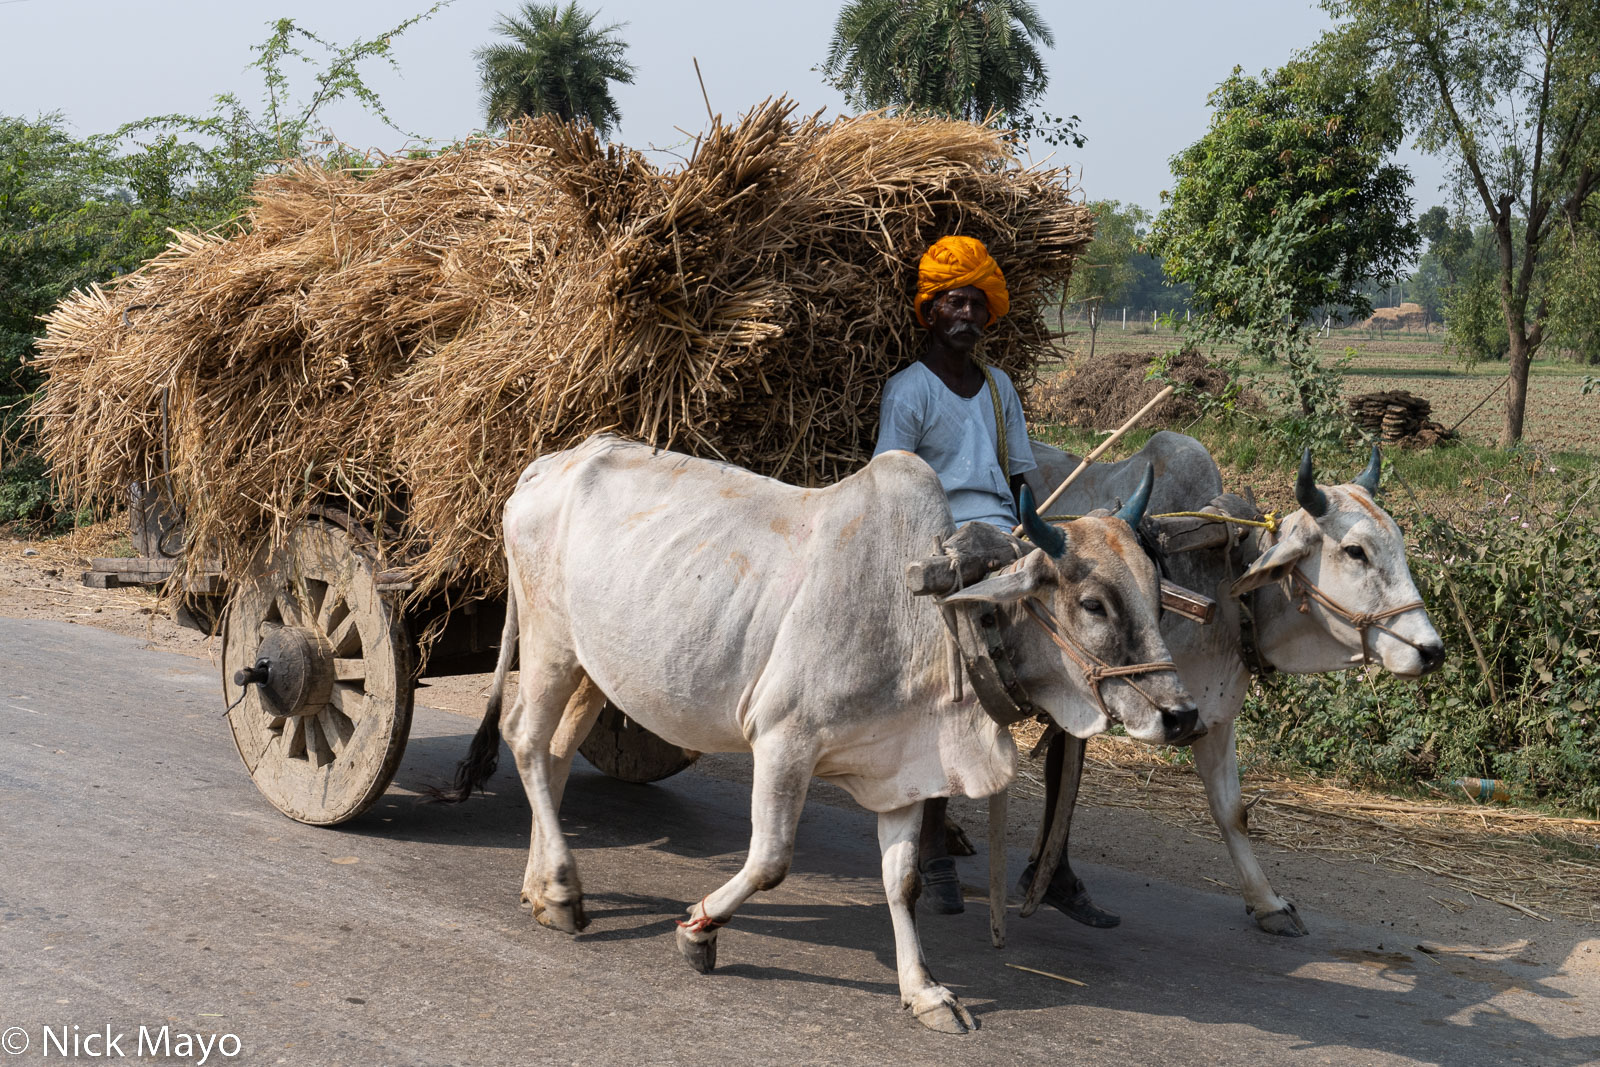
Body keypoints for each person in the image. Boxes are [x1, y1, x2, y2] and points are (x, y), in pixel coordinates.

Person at [872, 235, 1034, 915]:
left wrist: (1033, 542)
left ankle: (1054, 861)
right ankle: (932, 844)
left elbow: (1021, 478)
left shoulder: (1000, 391)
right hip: (941, 549)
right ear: (929, 313)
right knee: (944, 690)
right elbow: (893, 486)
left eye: (976, 301)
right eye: (953, 302)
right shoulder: (908, 391)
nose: (966, 312)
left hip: (1005, 545)